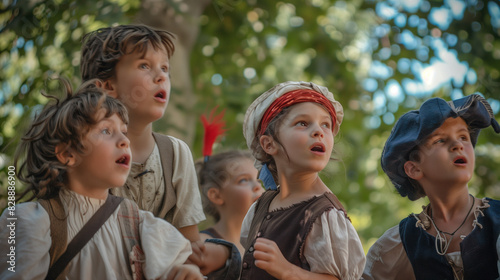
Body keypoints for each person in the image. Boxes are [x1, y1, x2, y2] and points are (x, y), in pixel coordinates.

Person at [0, 80, 203, 279]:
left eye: (124, 132)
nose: (125, 141)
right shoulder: (31, 222)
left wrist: (184, 273)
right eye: (106, 130)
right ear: (67, 154)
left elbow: (180, 267)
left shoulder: (140, 223)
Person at [79, 24, 238, 278]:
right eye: (144, 65)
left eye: (165, 68)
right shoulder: (81, 150)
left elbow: (189, 246)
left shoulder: (176, 153)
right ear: (108, 86)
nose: (161, 76)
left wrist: (229, 255)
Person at [362, 94, 500, 280]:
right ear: (414, 168)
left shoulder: (497, 219)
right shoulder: (399, 242)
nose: (457, 145)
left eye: (463, 137)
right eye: (440, 140)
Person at [240, 81, 366, 280]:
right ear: (268, 144)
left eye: (326, 124)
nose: (319, 131)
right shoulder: (260, 207)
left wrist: (288, 271)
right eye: (303, 123)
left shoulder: (325, 216)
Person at [197, 150, 264, 255]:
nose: (257, 186)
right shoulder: (201, 245)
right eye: (243, 180)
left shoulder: (265, 244)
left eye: (258, 180)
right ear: (216, 195)